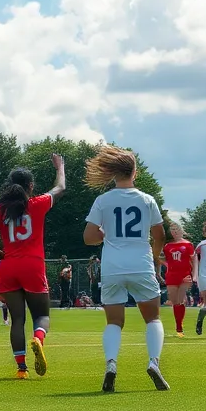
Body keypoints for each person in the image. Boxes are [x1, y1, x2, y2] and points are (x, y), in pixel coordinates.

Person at [83, 146, 169, 392]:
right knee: (152, 317)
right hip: (140, 264)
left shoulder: (103, 200)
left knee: (114, 322)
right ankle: (154, 362)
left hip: (112, 267)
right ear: (135, 172)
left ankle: (111, 364)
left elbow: (89, 237)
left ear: (113, 173)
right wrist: (154, 256)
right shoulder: (146, 200)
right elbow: (159, 234)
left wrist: (105, 234)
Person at [0, 154, 66, 379]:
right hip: (32, 266)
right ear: (31, 186)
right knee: (41, 316)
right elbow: (60, 187)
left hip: (8, 267)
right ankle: (38, 337)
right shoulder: (37, 204)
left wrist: (0, 254)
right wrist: (60, 167)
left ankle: (21, 369)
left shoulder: (0, 210)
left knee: (17, 320)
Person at [160, 223, 195, 338]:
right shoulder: (167, 246)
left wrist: (194, 276)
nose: (174, 232)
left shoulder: (188, 244)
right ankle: (178, 325)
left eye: (176, 229)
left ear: (180, 230)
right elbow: (161, 259)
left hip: (185, 275)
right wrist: (167, 265)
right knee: (174, 301)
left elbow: (193, 261)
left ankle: (179, 327)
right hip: (171, 275)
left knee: (181, 300)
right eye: (172, 230)